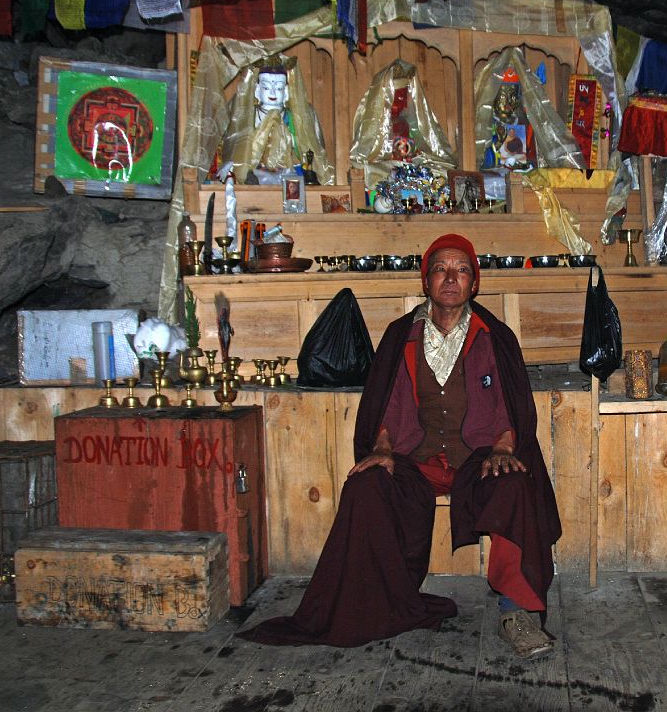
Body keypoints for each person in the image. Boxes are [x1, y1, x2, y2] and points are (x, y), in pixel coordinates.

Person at [239, 233, 562, 658]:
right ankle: (378, 600)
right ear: (426, 281)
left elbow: (512, 407)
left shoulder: (494, 335)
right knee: (366, 487)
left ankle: (515, 611)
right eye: (441, 270)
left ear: (474, 283)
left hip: (478, 458)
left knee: (515, 485)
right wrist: (384, 448)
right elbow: (385, 404)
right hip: (416, 458)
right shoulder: (400, 335)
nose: (451, 278)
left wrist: (504, 447)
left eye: (461, 270)